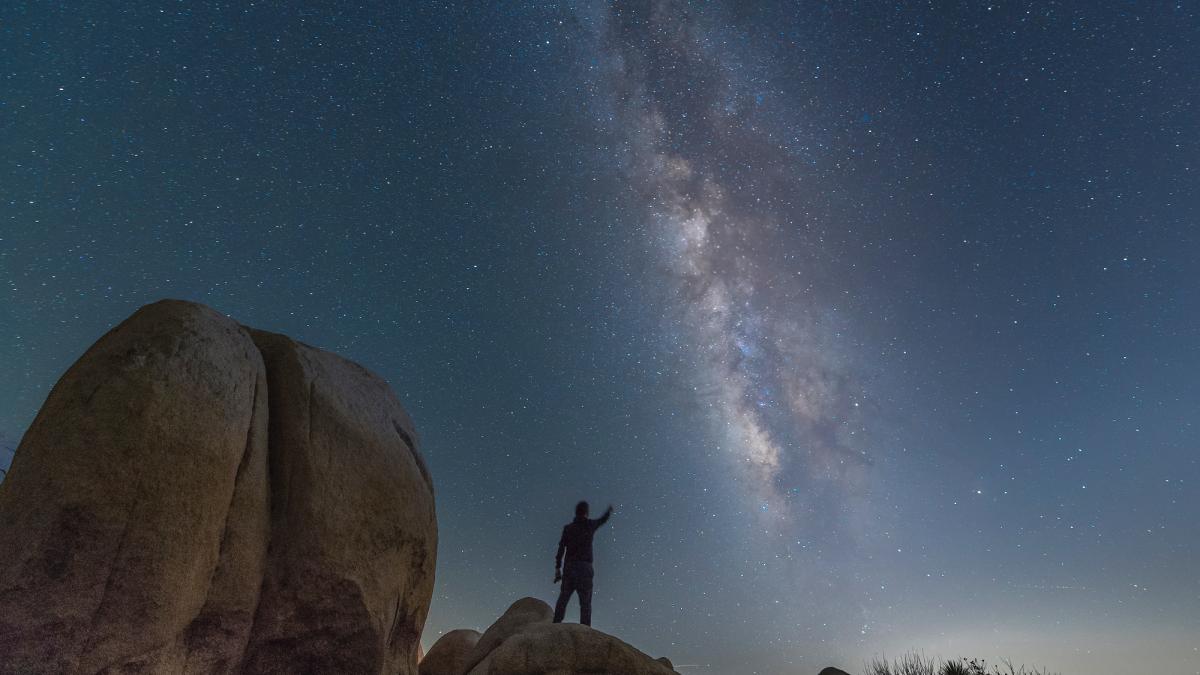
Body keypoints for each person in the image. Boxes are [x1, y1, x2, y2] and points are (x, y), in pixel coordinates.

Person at [552, 500, 613, 626]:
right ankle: (585, 630)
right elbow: (602, 520)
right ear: (587, 512)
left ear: (576, 512)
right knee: (585, 604)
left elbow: (561, 548)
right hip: (585, 568)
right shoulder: (590, 525)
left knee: (563, 598)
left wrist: (558, 568)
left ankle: (555, 625)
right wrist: (609, 511)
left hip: (570, 568)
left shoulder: (568, 529)